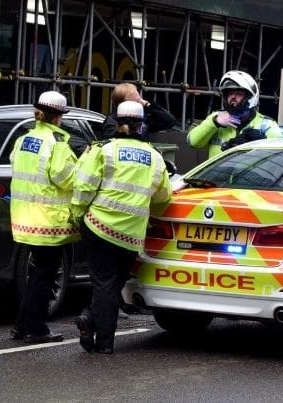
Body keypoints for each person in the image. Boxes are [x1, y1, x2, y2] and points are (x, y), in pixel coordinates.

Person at [71, 101, 172, 354]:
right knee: (113, 284)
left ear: (116, 122)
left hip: (99, 227)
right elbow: (163, 197)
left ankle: (102, 340)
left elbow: (83, 186)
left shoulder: (103, 150)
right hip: (131, 236)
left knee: (103, 283)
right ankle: (94, 327)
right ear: (141, 125)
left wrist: (77, 215)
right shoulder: (155, 157)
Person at [9, 90, 79, 344]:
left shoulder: (25, 139)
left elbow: (17, 165)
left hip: (25, 218)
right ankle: (36, 328)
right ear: (59, 117)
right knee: (44, 276)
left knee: (38, 274)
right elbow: (66, 178)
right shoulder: (57, 143)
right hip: (48, 221)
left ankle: (21, 326)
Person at [187, 70, 282, 158]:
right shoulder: (216, 117)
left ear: (250, 97)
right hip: (216, 176)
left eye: (238, 93)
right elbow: (192, 142)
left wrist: (262, 144)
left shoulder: (266, 124)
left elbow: (280, 157)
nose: (232, 97)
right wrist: (214, 123)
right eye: (230, 93)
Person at [102, 82, 177, 140]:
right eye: (134, 100)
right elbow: (108, 140)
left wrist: (147, 105)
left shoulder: (141, 120)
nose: (138, 104)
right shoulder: (112, 120)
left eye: (138, 100)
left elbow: (169, 121)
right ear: (122, 104)